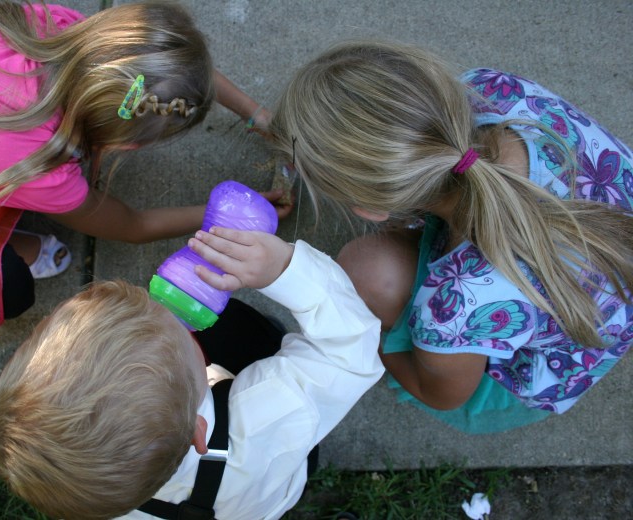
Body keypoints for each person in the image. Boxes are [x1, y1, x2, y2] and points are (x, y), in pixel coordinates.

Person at [0, 1, 284, 329]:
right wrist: (220, 225)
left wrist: (255, 113)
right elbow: (130, 224)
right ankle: (18, 246)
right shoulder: (40, 163)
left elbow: (172, 67)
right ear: (123, 144)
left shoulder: (58, 27)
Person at [270, 40, 633, 433]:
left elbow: (443, 394)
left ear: (372, 210)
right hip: (610, 272)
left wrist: (364, 336)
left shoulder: (455, 306)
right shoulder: (492, 89)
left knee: (366, 270)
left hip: (561, 363)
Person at [0, 225, 384, 520]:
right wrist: (285, 269)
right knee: (240, 330)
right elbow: (349, 349)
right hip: (274, 475)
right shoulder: (271, 414)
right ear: (198, 430)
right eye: (185, 336)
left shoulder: (89, 490)